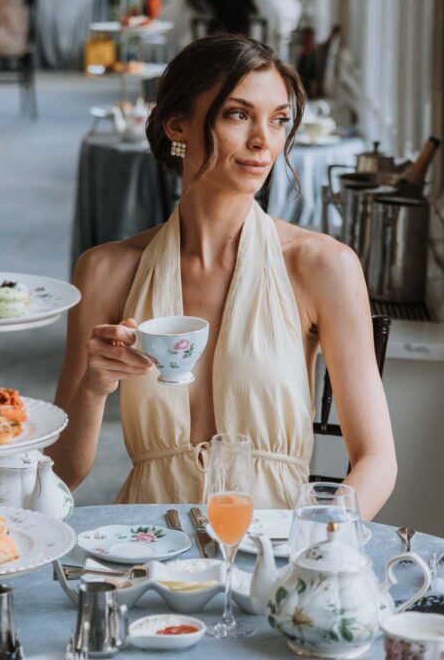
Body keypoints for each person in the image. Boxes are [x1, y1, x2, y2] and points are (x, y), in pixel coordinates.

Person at [48, 35, 397, 514]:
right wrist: (94, 386)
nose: (263, 141)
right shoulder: (107, 271)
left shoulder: (321, 266)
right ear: (177, 125)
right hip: (151, 548)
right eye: (238, 114)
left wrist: (321, 538)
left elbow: (377, 458)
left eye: (278, 120)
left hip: (273, 550)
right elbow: (62, 471)